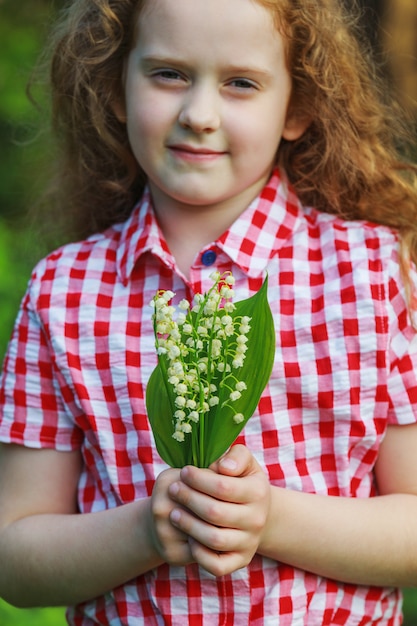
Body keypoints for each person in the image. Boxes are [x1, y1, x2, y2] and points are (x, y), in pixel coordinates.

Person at [1, 0, 417, 624]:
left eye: (241, 83)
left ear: (297, 107)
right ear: (116, 87)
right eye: (168, 74)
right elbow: (15, 555)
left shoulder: (375, 273)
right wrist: (145, 531)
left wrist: (272, 518)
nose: (198, 114)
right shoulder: (63, 293)